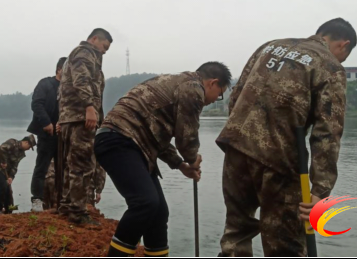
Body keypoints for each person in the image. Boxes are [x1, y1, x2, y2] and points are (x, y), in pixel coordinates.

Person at [216, 18, 357, 256]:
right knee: (285, 243)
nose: (341, 60)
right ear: (344, 44)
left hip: (235, 148)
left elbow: (236, 95)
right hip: (278, 160)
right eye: (344, 55)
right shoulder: (330, 66)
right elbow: (327, 132)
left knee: (236, 230)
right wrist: (320, 191)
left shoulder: (270, 47)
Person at [95, 62, 232, 256]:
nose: (216, 99)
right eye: (220, 93)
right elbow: (186, 137)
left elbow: (156, 134)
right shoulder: (193, 89)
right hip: (118, 140)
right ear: (213, 83)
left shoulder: (180, 83)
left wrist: (180, 164)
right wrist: (192, 158)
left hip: (131, 142)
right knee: (145, 203)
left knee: (158, 212)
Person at [57, 28, 113, 225]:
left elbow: (67, 87)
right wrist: (89, 107)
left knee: (71, 164)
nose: (105, 51)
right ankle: (78, 212)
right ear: (95, 39)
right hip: (80, 117)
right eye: (104, 46)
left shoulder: (79, 54)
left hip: (71, 117)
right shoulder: (85, 53)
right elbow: (82, 81)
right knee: (82, 166)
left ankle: (66, 205)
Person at [27, 57, 67, 212]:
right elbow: (36, 104)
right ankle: (37, 199)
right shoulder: (46, 84)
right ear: (59, 69)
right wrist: (47, 123)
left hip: (63, 134)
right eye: (67, 69)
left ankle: (62, 200)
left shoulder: (70, 88)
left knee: (62, 169)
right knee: (41, 168)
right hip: (46, 133)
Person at [0, 135, 36, 214]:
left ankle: (9, 209)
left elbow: (15, 166)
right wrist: (4, 161)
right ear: (26, 142)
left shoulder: (21, 154)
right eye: (29, 147)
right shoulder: (12, 142)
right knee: (3, 186)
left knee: (9, 190)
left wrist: (11, 177)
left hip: (5, 172)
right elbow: (1, 149)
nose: (29, 149)